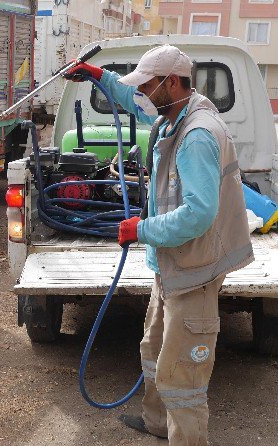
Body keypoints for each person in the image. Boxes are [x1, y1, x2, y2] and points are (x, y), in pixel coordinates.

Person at [64, 44, 254, 445]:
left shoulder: (197, 136)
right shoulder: (173, 114)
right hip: (172, 267)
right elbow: (136, 105)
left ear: (171, 82)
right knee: (153, 351)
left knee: (181, 375)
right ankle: (156, 425)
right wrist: (101, 78)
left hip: (194, 272)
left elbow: (199, 214)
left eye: (148, 85)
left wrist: (142, 230)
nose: (143, 94)